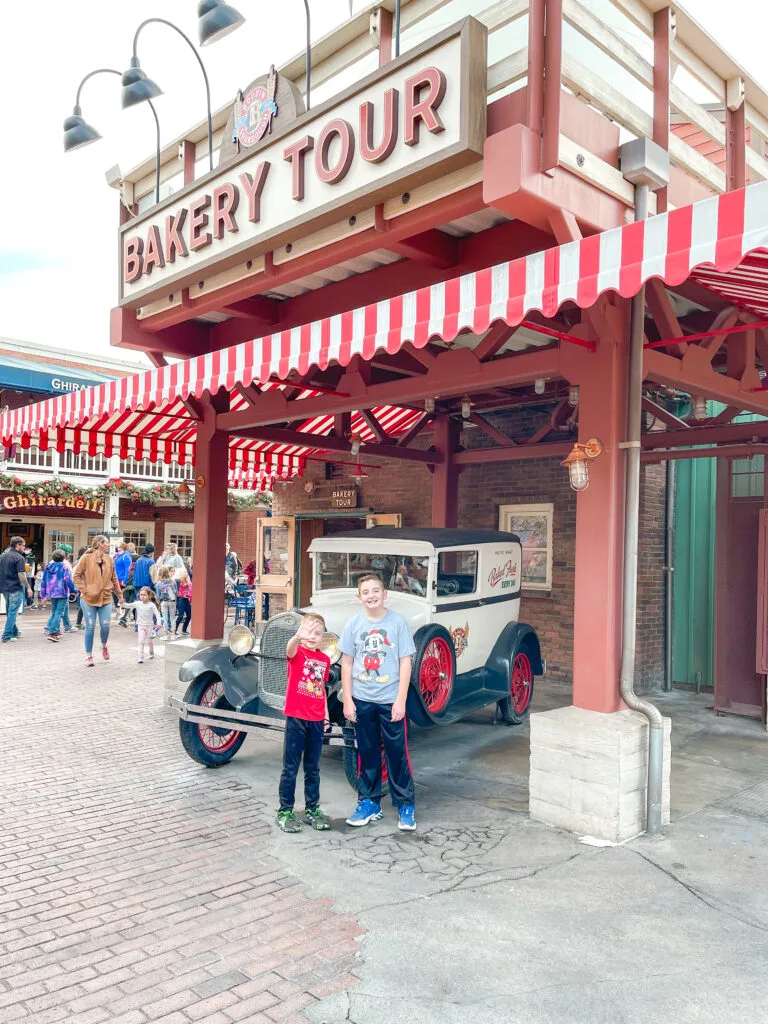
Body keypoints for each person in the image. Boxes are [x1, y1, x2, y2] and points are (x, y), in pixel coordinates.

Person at [340, 573, 417, 832]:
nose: (371, 596)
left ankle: (406, 806)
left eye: (376, 591)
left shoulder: (397, 623)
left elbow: (405, 662)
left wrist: (401, 700)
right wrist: (348, 700)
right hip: (362, 700)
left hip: (390, 700)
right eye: (366, 592)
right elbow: (347, 663)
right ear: (359, 597)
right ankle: (369, 802)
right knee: (367, 753)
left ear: (385, 594)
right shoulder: (353, 624)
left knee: (397, 754)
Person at [277, 613, 332, 833]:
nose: (312, 636)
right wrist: (297, 637)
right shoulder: (297, 653)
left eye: (317, 633)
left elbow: (321, 689)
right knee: (290, 768)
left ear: (322, 638)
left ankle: (312, 808)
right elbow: (289, 650)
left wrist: (326, 715)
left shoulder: (325, 660)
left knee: (313, 767)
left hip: (317, 719)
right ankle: (285, 811)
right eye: (308, 632)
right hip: (296, 718)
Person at [72, 536, 122, 668]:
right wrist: (85, 590)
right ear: (100, 544)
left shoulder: (109, 559)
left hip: (105, 597)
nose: (108, 545)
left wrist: (120, 596)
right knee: (90, 626)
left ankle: (103, 646)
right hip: (89, 598)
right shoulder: (86, 558)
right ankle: (89, 656)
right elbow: (75, 576)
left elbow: (114, 578)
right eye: (107, 543)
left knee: (105, 625)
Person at [0, 536, 32, 644]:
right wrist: (28, 587)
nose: (24, 547)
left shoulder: (2, 556)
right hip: (15, 587)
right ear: (17, 545)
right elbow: (21, 575)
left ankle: (14, 631)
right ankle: (6, 635)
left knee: (10, 611)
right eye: (23, 545)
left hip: (4, 588)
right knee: (12, 613)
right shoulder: (19, 558)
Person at [40, 550, 76, 642]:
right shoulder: (64, 567)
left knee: (54, 612)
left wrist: (43, 596)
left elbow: (43, 581)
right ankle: (52, 632)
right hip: (62, 593)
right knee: (59, 613)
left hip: (52, 593)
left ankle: (55, 631)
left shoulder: (48, 567)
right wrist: (74, 591)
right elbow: (68, 580)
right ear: (64, 558)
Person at [122, 586, 162, 663]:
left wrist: (158, 623)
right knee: (140, 641)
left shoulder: (151, 605)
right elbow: (128, 605)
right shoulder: (137, 603)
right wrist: (121, 603)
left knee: (149, 641)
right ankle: (140, 656)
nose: (142, 596)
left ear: (149, 596)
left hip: (150, 625)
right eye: (141, 595)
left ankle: (151, 653)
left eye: (144, 595)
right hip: (140, 625)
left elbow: (157, 614)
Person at [154, 565, 177, 639]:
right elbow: (176, 592)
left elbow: (158, 596)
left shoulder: (158, 584)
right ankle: (173, 635)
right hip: (172, 601)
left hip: (164, 602)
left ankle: (166, 635)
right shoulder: (173, 581)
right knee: (173, 618)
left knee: (165, 618)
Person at [174, 568, 193, 635]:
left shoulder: (188, 580)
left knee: (189, 615)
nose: (186, 573)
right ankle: (175, 630)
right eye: (184, 572)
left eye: (186, 572)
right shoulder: (177, 581)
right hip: (180, 599)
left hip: (186, 599)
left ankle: (184, 630)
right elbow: (175, 590)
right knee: (181, 615)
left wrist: (188, 582)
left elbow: (191, 588)